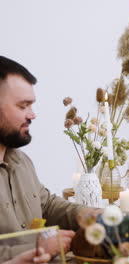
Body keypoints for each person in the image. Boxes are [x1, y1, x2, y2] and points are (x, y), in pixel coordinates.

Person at [0, 56, 84, 261]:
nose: (32, 115)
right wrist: (39, 247)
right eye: (22, 106)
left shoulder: (22, 161)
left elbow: (46, 206)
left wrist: (87, 215)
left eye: (31, 105)